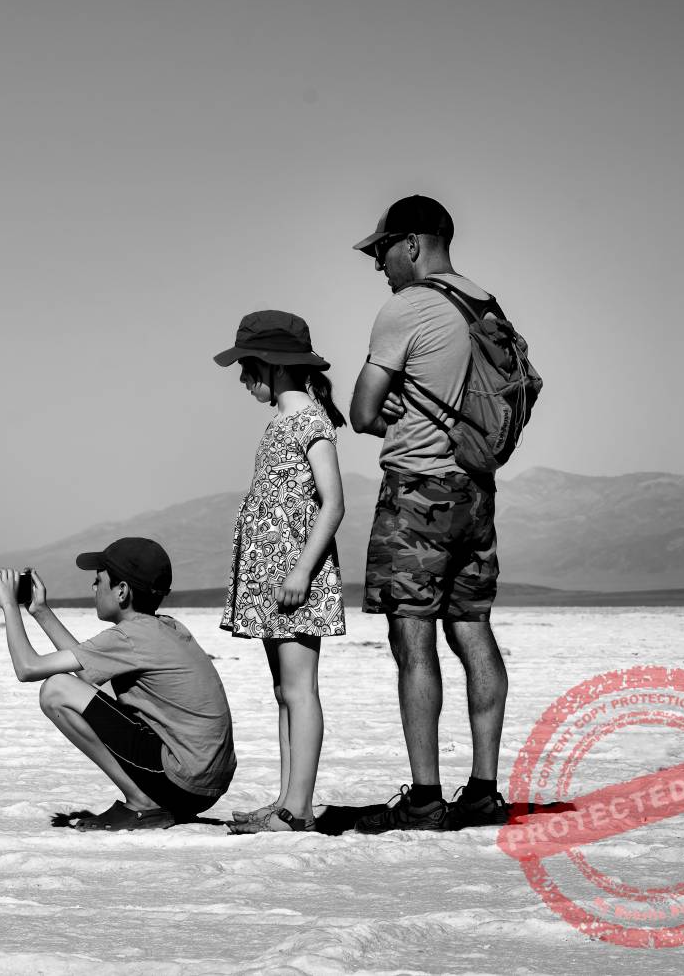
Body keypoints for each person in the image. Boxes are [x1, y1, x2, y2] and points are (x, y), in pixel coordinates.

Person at [347, 195, 513, 832]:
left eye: (383, 251)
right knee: (472, 627)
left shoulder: (408, 307)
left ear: (412, 244)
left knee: (412, 639)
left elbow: (363, 412)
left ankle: (424, 797)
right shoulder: (485, 305)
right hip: (476, 489)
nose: (380, 266)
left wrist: (387, 404)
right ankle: (485, 791)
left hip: (419, 490)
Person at [0, 537, 236, 830]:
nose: (93, 589)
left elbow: (27, 667)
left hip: (180, 780)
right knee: (83, 691)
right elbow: (88, 676)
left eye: (98, 581)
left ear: (121, 591)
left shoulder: (130, 637)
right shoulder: (166, 627)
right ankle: (150, 800)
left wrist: (9, 605)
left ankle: (142, 803)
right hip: (205, 787)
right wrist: (40, 611)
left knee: (55, 689)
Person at [211, 311, 346, 833]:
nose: (244, 379)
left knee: (300, 689)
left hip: (295, 580)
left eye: (248, 367)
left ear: (274, 365)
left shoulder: (311, 422)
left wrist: (301, 572)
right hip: (273, 579)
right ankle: (287, 801)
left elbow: (333, 504)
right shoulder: (281, 423)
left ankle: (298, 809)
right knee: (284, 692)